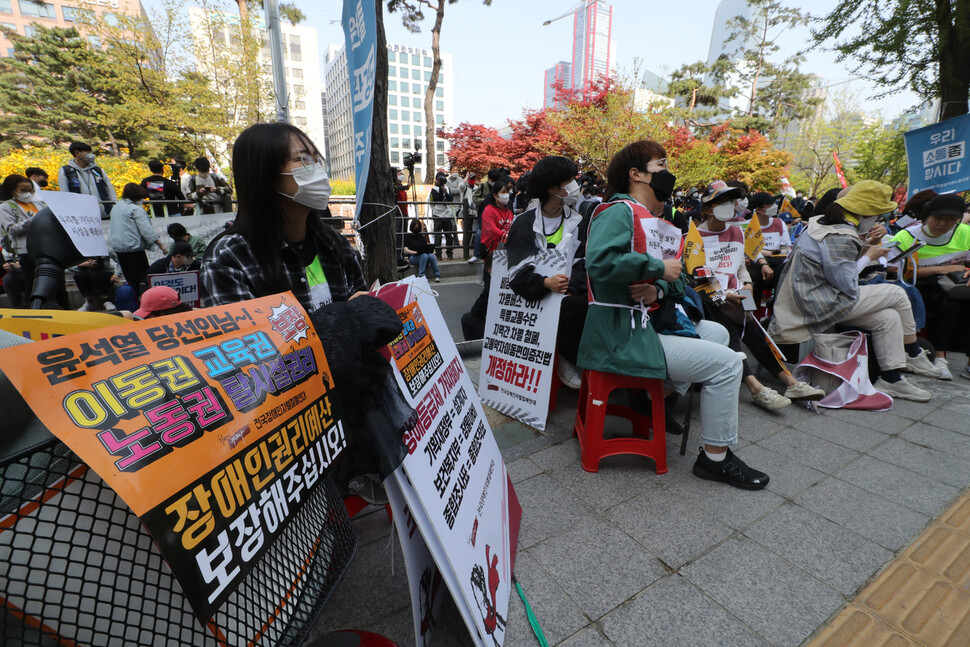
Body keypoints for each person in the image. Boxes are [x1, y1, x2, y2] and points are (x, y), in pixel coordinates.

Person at [578, 140, 770, 490]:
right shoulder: (617, 211)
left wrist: (659, 288)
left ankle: (658, 397)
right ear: (635, 174)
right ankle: (716, 459)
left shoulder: (654, 220)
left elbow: (677, 277)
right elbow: (599, 262)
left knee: (719, 334)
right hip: (620, 333)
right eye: (660, 164)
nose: (667, 172)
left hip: (646, 323)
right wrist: (656, 267)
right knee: (728, 364)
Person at [769, 182, 943, 402]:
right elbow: (846, 282)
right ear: (866, 214)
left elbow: (833, 264)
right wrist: (869, 256)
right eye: (877, 215)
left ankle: (892, 379)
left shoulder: (824, 223)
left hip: (809, 298)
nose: (878, 220)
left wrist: (865, 247)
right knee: (897, 294)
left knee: (887, 317)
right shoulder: (842, 235)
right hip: (818, 303)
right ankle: (914, 353)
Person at [201, 123, 366, 311]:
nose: (318, 170)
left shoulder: (333, 242)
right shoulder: (229, 258)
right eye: (302, 159)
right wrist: (350, 318)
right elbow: (251, 338)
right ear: (264, 174)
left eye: (316, 159)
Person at [696, 181, 824, 410]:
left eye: (731, 202)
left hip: (739, 296)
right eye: (721, 202)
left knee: (755, 332)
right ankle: (756, 387)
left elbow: (739, 265)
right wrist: (723, 295)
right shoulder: (694, 238)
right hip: (711, 301)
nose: (729, 207)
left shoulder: (737, 231)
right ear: (706, 208)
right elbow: (694, 277)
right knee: (728, 330)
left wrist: (746, 283)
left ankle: (790, 382)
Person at [505, 155, 587, 389]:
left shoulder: (577, 221)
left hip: (568, 291)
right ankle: (567, 358)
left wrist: (570, 287)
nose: (576, 186)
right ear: (553, 188)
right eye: (570, 181)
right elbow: (517, 276)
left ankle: (590, 361)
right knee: (575, 309)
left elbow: (582, 262)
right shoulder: (524, 223)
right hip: (535, 299)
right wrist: (546, 284)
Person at [891, 193, 970, 380]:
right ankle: (940, 359)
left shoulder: (966, 234)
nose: (943, 224)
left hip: (955, 285)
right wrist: (941, 269)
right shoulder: (907, 236)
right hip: (918, 286)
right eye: (938, 218)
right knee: (947, 304)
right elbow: (899, 272)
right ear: (927, 216)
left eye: (950, 220)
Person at [108, 183, 168, 292]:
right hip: (133, 248)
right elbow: (147, 230)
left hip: (118, 248)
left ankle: (135, 302)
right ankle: (146, 301)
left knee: (131, 280)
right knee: (143, 279)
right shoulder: (135, 209)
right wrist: (161, 245)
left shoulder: (116, 207)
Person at [0, 174, 44, 307]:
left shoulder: (40, 204)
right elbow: (11, 229)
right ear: (12, 190)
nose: (27, 193)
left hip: (46, 249)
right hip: (26, 251)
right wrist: (31, 221)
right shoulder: (7, 207)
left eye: (30, 190)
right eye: (22, 190)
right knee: (32, 286)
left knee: (55, 285)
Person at [58, 142, 117, 218]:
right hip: (81, 216)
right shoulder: (67, 171)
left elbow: (109, 190)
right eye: (87, 152)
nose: (91, 155)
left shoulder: (97, 170)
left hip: (103, 213)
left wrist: (114, 207)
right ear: (77, 153)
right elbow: (64, 194)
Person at [480, 178, 515, 255]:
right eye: (503, 192)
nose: (506, 195)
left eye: (507, 192)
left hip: (506, 249)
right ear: (495, 195)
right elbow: (492, 231)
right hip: (492, 250)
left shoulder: (509, 212)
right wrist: (507, 236)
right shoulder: (488, 210)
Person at [428, 172, 457, 259]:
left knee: (448, 235)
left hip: (447, 214)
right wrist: (441, 189)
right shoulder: (434, 189)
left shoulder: (447, 188)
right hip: (437, 214)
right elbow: (439, 199)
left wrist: (446, 192)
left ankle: (449, 253)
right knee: (438, 235)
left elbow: (451, 199)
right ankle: (438, 253)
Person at [403, 218, 440, 282]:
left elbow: (425, 247)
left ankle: (437, 275)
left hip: (423, 255)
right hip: (413, 257)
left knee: (431, 256)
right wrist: (414, 252)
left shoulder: (422, 237)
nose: (416, 229)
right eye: (415, 227)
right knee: (424, 256)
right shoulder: (408, 236)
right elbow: (405, 249)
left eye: (418, 227)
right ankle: (422, 275)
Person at [457, 171, 479, 261]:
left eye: (474, 178)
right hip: (467, 212)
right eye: (471, 178)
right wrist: (466, 176)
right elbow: (461, 185)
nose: (472, 180)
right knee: (467, 230)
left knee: (475, 231)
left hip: (475, 212)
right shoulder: (465, 187)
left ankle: (472, 248)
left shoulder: (477, 188)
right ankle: (465, 249)